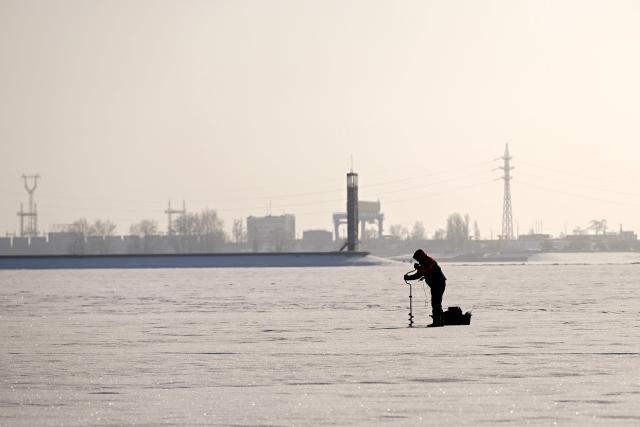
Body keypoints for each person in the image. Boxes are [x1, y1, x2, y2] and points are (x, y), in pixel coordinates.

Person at [404, 249, 447, 327]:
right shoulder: (423, 263)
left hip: (439, 283)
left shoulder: (429, 260)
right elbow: (419, 275)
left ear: (421, 257)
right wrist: (408, 277)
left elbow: (427, 269)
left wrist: (418, 268)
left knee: (436, 303)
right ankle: (440, 322)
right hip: (435, 285)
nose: (417, 260)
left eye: (417, 258)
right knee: (437, 303)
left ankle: (437, 322)